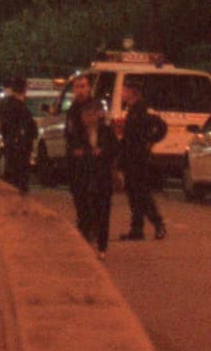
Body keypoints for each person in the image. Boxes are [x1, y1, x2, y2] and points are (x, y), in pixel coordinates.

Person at [117, 78, 167, 241]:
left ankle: (158, 224)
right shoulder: (132, 110)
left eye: (124, 90)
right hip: (131, 159)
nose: (122, 93)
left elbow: (160, 125)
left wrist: (150, 140)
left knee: (142, 195)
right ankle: (136, 229)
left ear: (132, 92)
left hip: (138, 159)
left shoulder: (140, 110)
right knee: (134, 195)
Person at [76, 99, 120, 259]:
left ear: (96, 115)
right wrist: (80, 153)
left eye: (90, 114)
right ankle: (87, 239)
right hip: (86, 176)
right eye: (84, 115)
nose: (87, 118)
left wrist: (103, 151)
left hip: (103, 177)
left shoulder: (106, 131)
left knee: (103, 212)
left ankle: (102, 246)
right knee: (88, 211)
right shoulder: (79, 132)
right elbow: (72, 149)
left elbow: (115, 148)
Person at [63, 75, 95, 231]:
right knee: (77, 192)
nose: (80, 90)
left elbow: (97, 133)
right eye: (77, 87)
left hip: (89, 158)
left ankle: (88, 225)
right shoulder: (73, 109)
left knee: (89, 193)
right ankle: (84, 221)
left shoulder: (94, 107)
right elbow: (69, 132)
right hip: (74, 159)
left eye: (83, 86)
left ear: (89, 88)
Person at [0, 77, 38, 194]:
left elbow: (3, 128)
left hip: (10, 146)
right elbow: (32, 130)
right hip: (21, 149)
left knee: (11, 178)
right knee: (21, 182)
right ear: (24, 90)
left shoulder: (5, 106)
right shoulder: (22, 109)